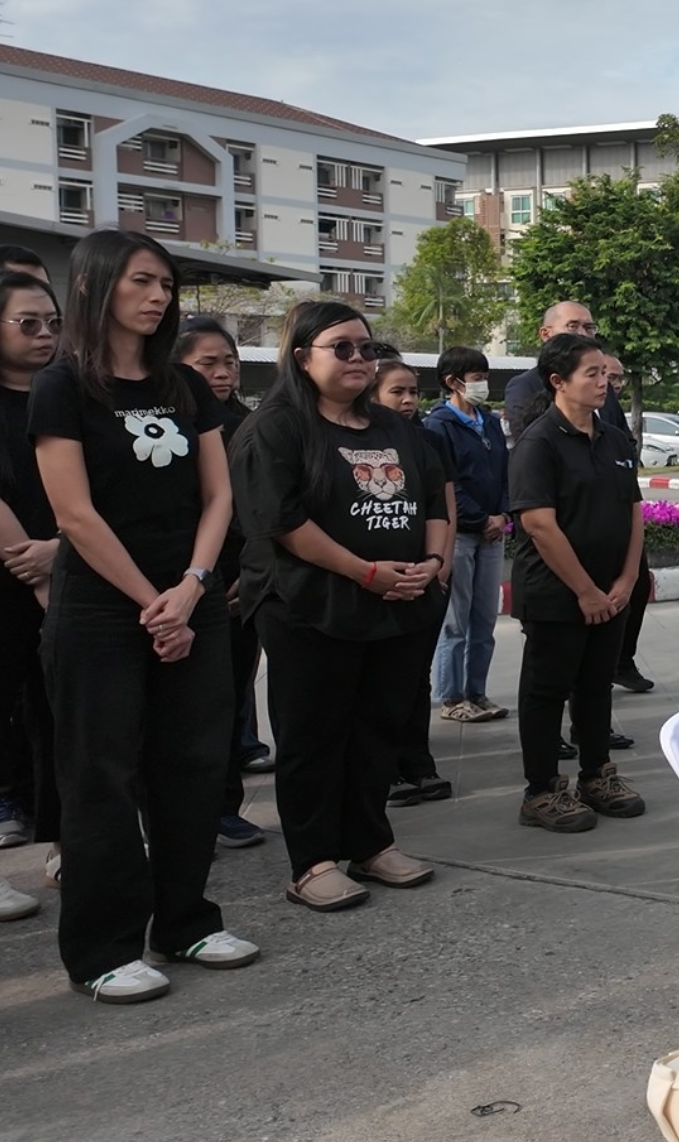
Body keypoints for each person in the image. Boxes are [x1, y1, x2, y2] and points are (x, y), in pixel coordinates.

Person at [30, 229, 258, 1002]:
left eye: (165, 283)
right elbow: (75, 515)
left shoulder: (184, 386)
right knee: (100, 776)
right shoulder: (63, 386)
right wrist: (150, 603)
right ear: (94, 287)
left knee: (192, 765)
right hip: (101, 610)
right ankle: (103, 949)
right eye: (140, 281)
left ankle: (187, 921)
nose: (158, 296)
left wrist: (191, 588)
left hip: (191, 600)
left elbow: (219, 496)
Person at [230, 301, 449, 913]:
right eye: (342, 347)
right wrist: (365, 572)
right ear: (303, 357)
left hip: (397, 604)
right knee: (314, 734)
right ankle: (312, 861)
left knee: (378, 729)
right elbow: (282, 521)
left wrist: (432, 563)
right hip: (311, 606)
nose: (359, 358)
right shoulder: (275, 428)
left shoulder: (393, 427)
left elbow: (434, 497)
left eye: (367, 348)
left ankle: (370, 842)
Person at [508, 333, 647, 832]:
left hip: (611, 591)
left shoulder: (613, 438)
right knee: (546, 691)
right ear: (558, 381)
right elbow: (539, 525)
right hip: (556, 593)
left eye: (605, 373)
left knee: (595, 686)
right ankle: (541, 790)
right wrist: (585, 591)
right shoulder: (539, 443)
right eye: (592, 373)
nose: (604, 382)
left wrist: (627, 578)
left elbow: (633, 510)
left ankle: (596, 775)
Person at [174, 317, 271, 851]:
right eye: (206, 363)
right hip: (180, 574)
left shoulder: (252, 425)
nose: (222, 372)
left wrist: (251, 571)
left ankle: (223, 808)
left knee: (229, 696)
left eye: (229, 362)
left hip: (240, 577)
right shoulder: (165, 421)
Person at [0, 272, 60, 918]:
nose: (44, 335)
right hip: (4, 579)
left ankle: (70, 845)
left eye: (52, 323)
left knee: (65, 715)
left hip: (73, 568)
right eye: (28, 323)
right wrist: (37, 571)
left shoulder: (68, 395)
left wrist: (60, 552)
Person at [373, 358, 457, 807]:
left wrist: (439, 565)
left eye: (412, 392)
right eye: (396, 392)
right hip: (375, 582)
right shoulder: (356, 442)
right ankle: (383, 771)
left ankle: (419, 766)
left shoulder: (428, 441)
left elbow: (443, 505)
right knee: (379, 683)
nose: (408, 401)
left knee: (414, 677)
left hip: (425, 576)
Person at [424, 346, 511, 725]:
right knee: (455, 622)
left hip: (492, 533)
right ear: (452, 381)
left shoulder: (489, 422)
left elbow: (505, 473)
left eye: (484, 377)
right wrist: (479, 518)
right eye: (477, 378)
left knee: (484, 620)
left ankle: (477, 691)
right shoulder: (439, 425)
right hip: (460, 534)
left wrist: (502, 514)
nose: (482, 384)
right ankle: (451, 696)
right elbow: (448, 485)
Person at [603, 352, 653, 696]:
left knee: (638, 584)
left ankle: (622, 661)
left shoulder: (609, 407)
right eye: (608, 377)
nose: (613, 385)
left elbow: (625, 444)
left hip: (621, 509)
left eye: (618, 379)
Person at [504, 301, 597, 438]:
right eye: (572, 326)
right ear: (546, 334)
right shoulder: (525, 385)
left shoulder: (602, 383)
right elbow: (526, 439)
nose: (583, 334)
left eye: (589, 328)